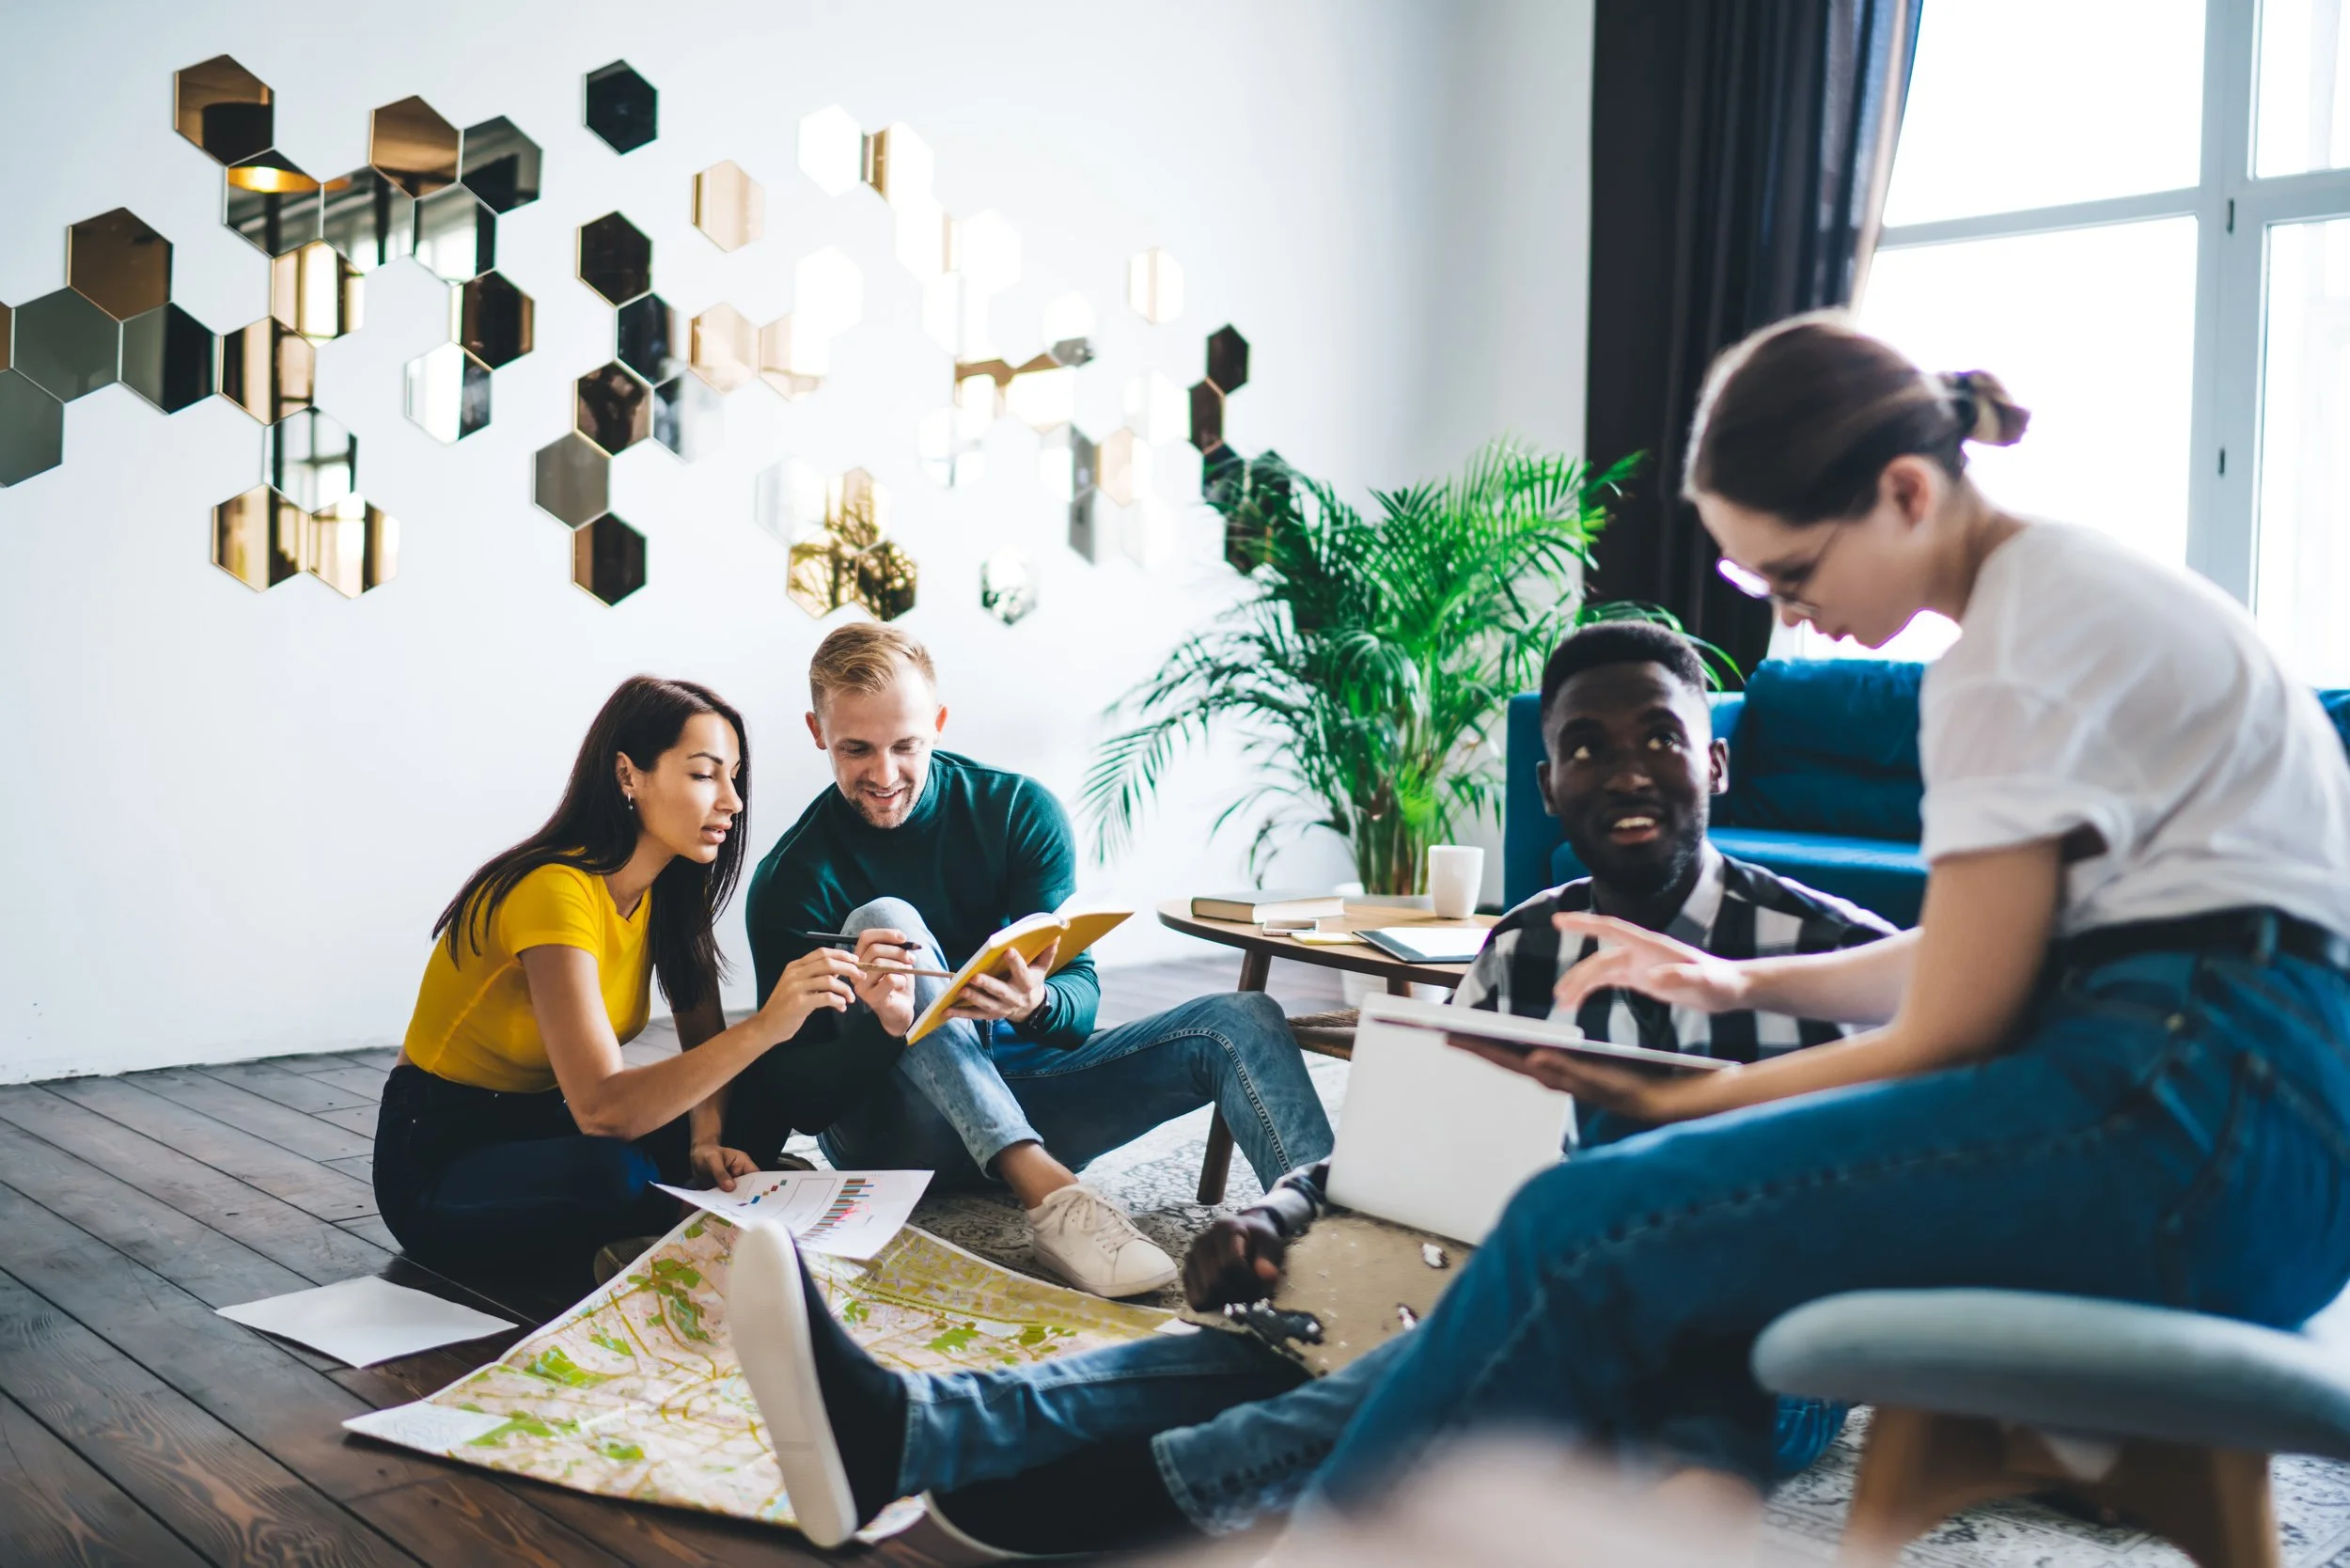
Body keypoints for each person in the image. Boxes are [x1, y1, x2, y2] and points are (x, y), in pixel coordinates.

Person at [725, 619, 1912, 1551]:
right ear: (1546, 788)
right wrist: (1278, 1211)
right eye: (1585, 748)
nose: (1624, 771)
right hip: (1545, 1273)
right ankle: (929, 1427)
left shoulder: (1830, 954)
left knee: (1480, 1339)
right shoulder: (1526, 949)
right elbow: (1429, 1154)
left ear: (1713, 760)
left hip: (1762, 1343)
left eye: (1656, 738)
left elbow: (1912, 1172)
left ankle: (1163, 1499)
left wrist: (1039, 1003)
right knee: (1309, 1316)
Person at [716, 622, 1335, 1298]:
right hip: (894, 1136)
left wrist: (1037, 1003)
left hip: (1030, 1095)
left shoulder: (1015, 811)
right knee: (887, 921)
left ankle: (1332, 1239)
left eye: (906, 746)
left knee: (1242, 1018)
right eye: (855, 749)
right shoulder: (793, 879)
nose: (884, 775)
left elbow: (1078, 1008)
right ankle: (1053, 1198)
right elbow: (805, 1102)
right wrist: (882, 1028)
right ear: (817, 732)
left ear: (940, 723)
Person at [374, 677, 901, 1282]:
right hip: (443, 1151)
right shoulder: (553, 890)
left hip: (550, 1123)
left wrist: (706, 1140)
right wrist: (765, 1026)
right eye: (705, 775)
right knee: (611, 1173)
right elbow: (602, 1109)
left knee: (757, 1087)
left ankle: (686, 1200)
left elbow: (704, 1044)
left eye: (734, 777)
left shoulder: (674, 885)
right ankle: (691, 1209)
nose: (731, 800)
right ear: (628, 775)